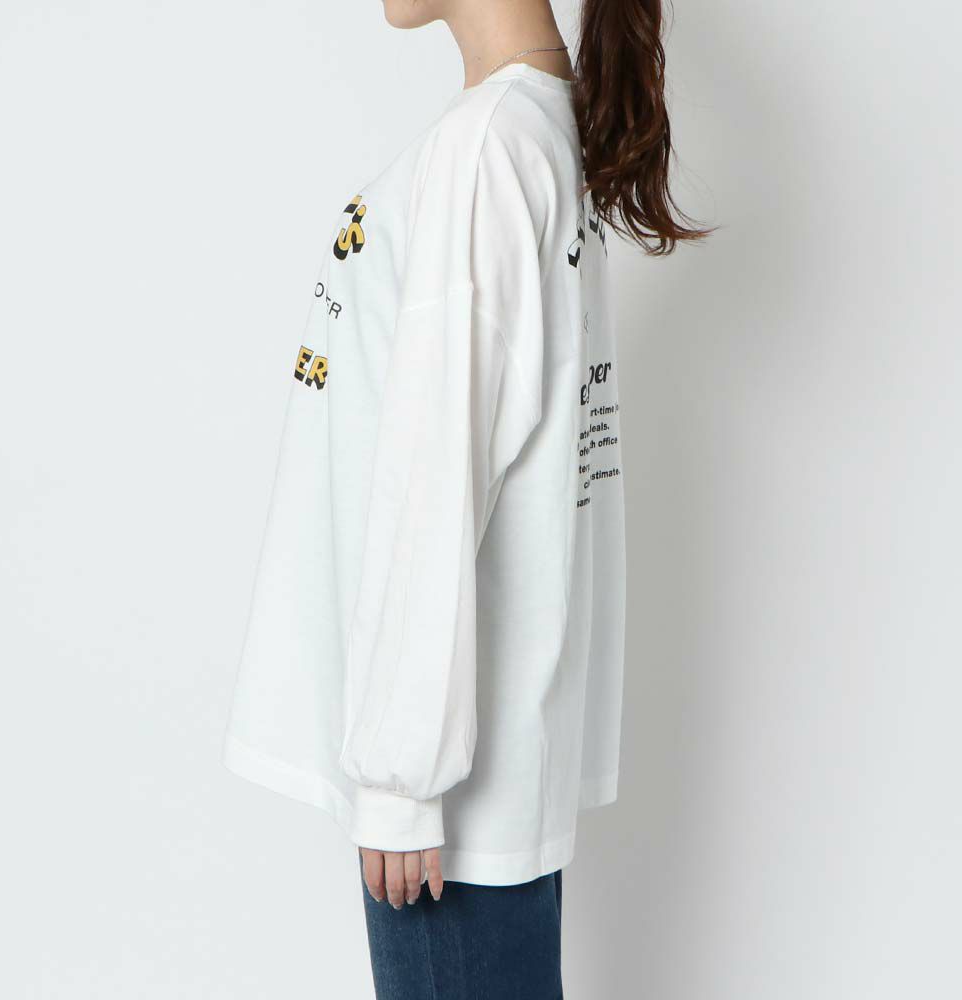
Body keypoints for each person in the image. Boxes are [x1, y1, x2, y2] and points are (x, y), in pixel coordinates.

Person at [223, 1, 707, 996]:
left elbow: (437, 463)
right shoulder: (531, 131)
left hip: (449, 806)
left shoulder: (487, 150)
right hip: (485, 776)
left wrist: (401, 783)